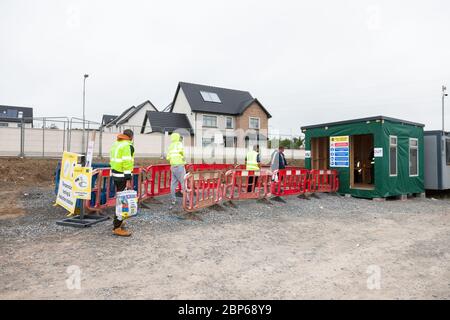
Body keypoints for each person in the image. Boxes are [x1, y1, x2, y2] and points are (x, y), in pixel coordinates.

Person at [109, 129, 134, 237]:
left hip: (115, 175)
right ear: (131, 137)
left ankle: (119, 221)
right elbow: (127, 163)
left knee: (120, 199)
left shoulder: (116, 144)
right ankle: (117, 227)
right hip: (123, 176)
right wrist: (128, 179)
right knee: (122, 201)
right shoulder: (127, 146)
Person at [166, 132, 186, 208]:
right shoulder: (179, 144)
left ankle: (173, 200)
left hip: (173, 166)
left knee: (173, 184)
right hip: (180, 165)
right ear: (178, 138)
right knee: (183, 182)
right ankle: (186, 200)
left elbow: (168, 157)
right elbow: (182, 153)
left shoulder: (170, 146)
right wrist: (184, 160)